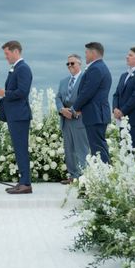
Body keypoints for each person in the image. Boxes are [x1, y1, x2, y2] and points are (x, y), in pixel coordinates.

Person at [0, 40, 33, 194]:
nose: (6, 57)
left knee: (21, 149)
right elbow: (12, 95)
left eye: (7, 53)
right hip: (15, 115)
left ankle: (26, 184)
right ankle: (23, 181)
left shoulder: (23, 68)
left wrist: (5, 93)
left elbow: (22, 92)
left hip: (19, 116)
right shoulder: (16, 68)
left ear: (16, 51)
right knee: (18, 149)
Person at [72, 42, 112, 163]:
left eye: (86, 52)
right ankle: (101, 175)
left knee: (98, 148)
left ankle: (104, 175)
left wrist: (75, 107)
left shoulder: (96, 68)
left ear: (93, 53)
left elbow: (87, 92)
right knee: (97, 147)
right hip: (96, 113)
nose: (85, 55)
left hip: (95, 114)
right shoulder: (100, 67)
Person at [55, 54, 90, 183]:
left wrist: (73, 111)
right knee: (69, 149)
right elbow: (58, 97)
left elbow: (86, 97)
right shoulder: (63, 81)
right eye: (68, 64)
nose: (70, 66)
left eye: (72, 63)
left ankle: (85, 177)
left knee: (82, 149)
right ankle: (73, 176)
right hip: (65, 119)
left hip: (79, 119)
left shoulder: (85, 79)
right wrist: (61, 109)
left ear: (79, 64)